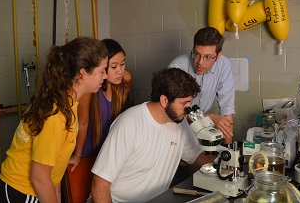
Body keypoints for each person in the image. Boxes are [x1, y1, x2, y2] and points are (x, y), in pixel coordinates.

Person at [0, 36, 108, 203]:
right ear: (83, 73)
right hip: (20, 192)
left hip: (35, 188)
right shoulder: (56, 114)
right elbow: (39, 178)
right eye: (101, 71)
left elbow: (53, 165)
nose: (105, 76)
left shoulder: (69, 101)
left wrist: (57, 194)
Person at [90, 68, 219, 202]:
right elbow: (100, 183)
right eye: (184, 103)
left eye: (190, 102)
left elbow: (195, 156)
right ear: (164, 100)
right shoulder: (129, 123)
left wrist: (225, 161)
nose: (188, 108)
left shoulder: (179, 123)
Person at [67, 38, 132, 202]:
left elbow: (119, 116)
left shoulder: (124, 80)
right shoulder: (89, 90)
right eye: (114, 67)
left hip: (106, 155)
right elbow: (82, 123)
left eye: (123, 64)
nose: (120, 71)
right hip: (86, 153)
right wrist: (77, 155)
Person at [169, 27, 235, 143]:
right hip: (176, 127)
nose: (200, 62)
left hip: (204, 127)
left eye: (208, 57)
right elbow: (175, 112)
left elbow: (227, 112)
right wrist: (210, 117)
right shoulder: (177, 67)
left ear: (218, 56)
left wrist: (228, 151)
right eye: (197, 54)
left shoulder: (224, 65)